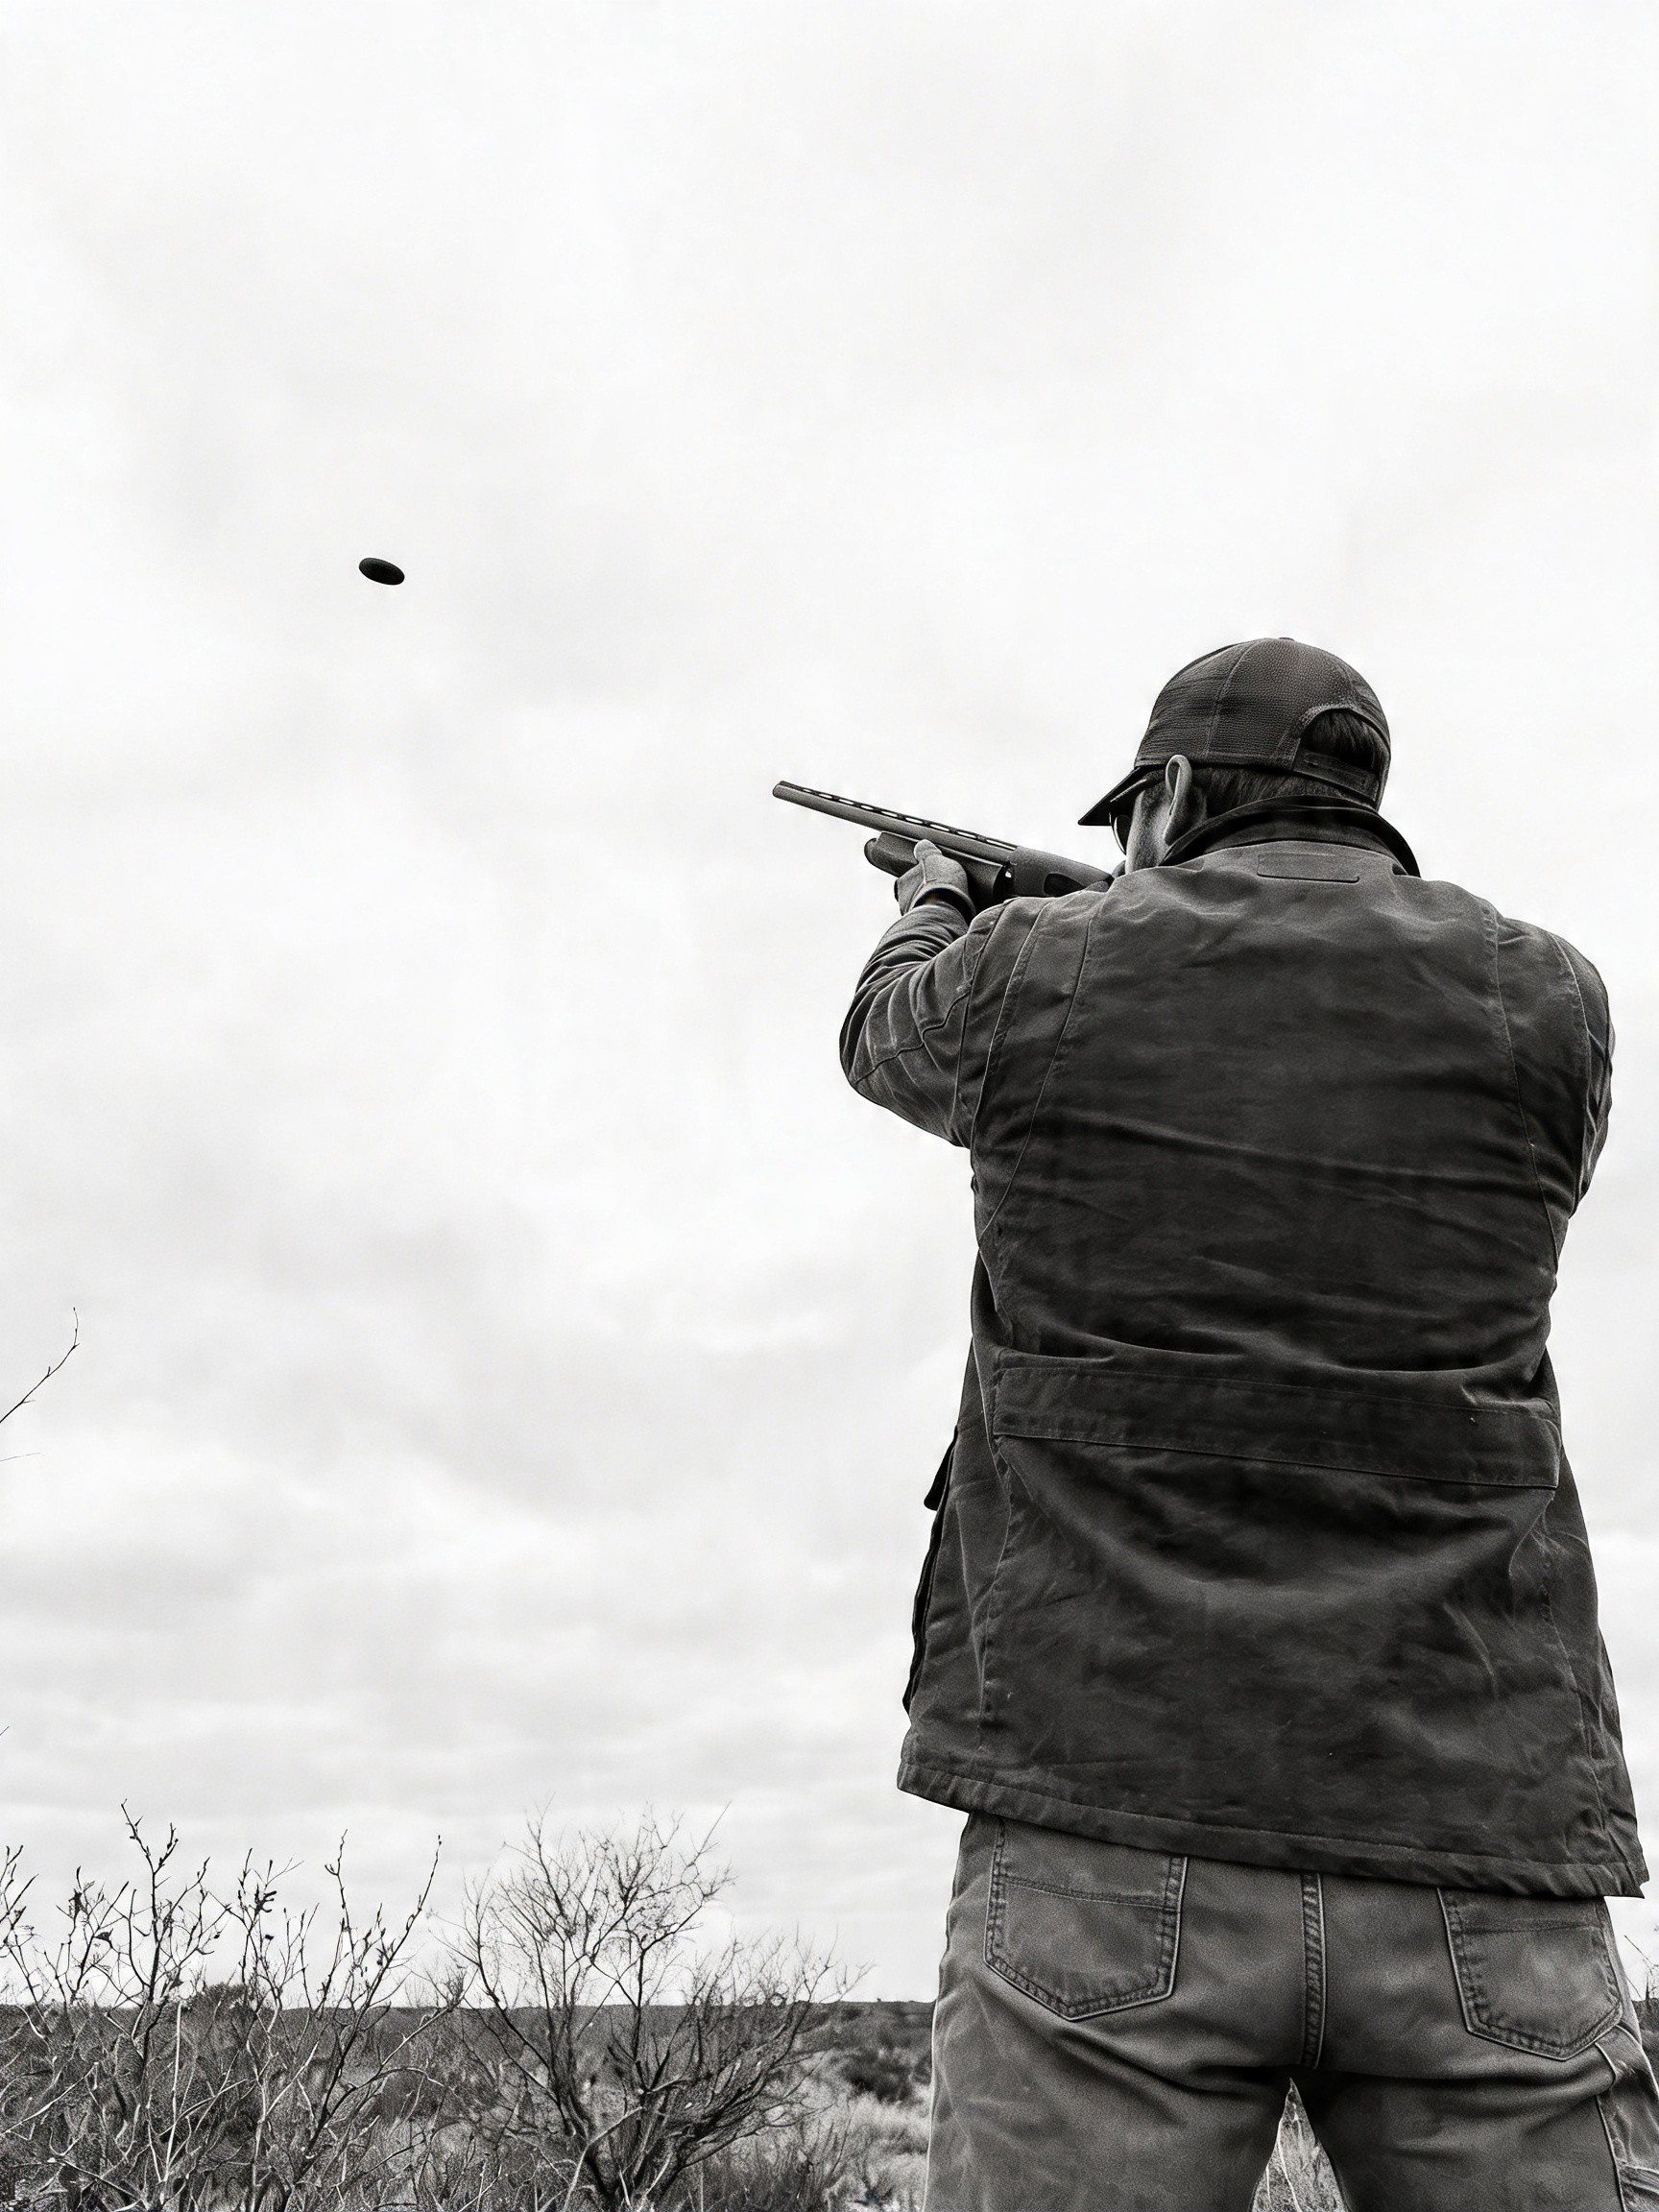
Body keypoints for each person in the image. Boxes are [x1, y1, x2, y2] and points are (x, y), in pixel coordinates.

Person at [839, 637, 1658, 2210]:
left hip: (1104, 1806)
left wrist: (944, 892)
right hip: (1478, 1827)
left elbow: (885, 1030)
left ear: (1172, 798)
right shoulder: (1549, 1005)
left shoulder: (1033, 981)